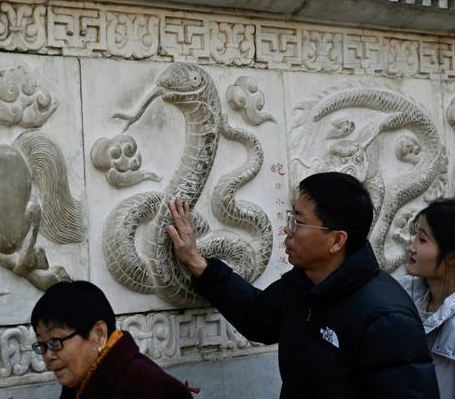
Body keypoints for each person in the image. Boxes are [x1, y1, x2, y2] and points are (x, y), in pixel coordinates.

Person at [167, 171, 439, 399]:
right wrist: (197, 262)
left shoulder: (385, 318)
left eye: (298, 222)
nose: (288, 230)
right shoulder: (302, 285)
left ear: (336, 240)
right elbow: (256, 316)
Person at [30, 280, 194, 399]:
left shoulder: (155, 389)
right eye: (42, 345)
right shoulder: (77, 384)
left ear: (99, 334)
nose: (48, 356)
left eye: (55, 342)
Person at [402, 198, 455, 399]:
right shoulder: (401, 293)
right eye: (415, 236)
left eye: (422, 240)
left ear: (453, 257)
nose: (411, 247)